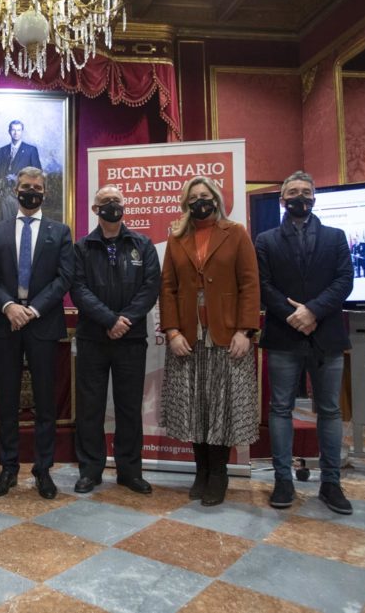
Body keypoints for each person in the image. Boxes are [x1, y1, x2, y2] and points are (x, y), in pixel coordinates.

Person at [254, 170, 355, 514]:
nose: (300, 197)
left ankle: (331, 484)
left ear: (314, 197)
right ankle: (282, 481)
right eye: (293, 192)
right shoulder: (265, 240)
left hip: (326, 333)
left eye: (305, 191)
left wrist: (312, 312)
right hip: (283, 334)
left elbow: (344, 282)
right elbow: (263, 285)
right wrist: (292, 315)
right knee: (280, 409)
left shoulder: (336, 237)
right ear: (282, 200)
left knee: (329, 410)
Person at [159, 176, 260, 506]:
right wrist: (172, 332)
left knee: (220, 407)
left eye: (205, 195)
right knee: (194, 409)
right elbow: (168, 289)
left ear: (216, 199)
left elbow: (249, 284)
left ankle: (219, 474)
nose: (200, 201)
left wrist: (245, 331)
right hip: (188, 337)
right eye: (193, 197)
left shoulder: (236, 233)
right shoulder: (176, 237)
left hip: (227, 335)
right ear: (186, 202)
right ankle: (200, 471)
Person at [0, 166, 74, 500]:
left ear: (45, 191)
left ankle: (42, 469)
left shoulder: (60, 232)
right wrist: (9, 306)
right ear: (15, 189)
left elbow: (64, 278)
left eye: (37, 187)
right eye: (25, 187)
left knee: (45, 402)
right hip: (6, 323)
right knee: (6, 400)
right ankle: (8, 468)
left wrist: (33, 309)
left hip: (43, 323)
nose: (30, 191)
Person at [71, 185, 160, 495]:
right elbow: (78, 289)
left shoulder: (143, 244)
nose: (112, 206)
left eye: (117, 201)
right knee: (90, 408)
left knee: (128, 407)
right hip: (93, 338)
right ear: (96, 210)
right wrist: (109, 319)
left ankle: (130, 471)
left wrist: (125, 321)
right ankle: (90, 470)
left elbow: (151, 287)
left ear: (125, 206)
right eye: (105, 202)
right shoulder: (82, 247)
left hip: (131, 339)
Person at [0, 120, 42, 221]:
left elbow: (38, 175)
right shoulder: (3, 150)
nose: (16, 133)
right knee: (5, 225)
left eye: (18, 130)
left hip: (23, 195)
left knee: (21, 224)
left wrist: (17, 178)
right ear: (9, 131)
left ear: (22, 131)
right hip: (5, 195)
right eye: (13, 130)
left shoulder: (31, 150)